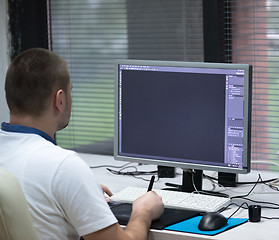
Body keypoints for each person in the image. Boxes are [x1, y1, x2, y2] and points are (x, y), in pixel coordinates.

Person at [0, 48, 164, 240]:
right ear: (60, 100)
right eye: (70, 92)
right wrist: (142, 212)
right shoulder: (63, 166)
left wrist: (81, 193)